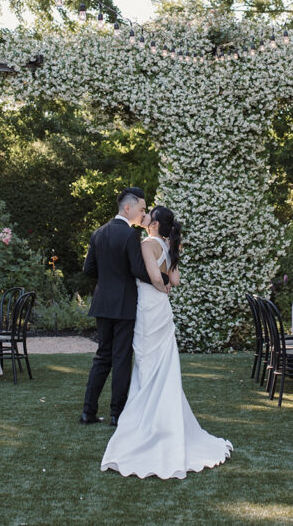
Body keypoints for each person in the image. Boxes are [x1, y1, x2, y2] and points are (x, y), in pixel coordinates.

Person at [100, 205, 232, 479]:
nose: (145, 216)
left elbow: (152, 277)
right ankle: (161, 417)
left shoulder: (148, 244)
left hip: (149, 307)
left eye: (149, 215)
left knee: (147, 362)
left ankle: (147, 422)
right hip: (162, 309)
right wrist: (167, 288)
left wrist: (161, 287)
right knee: (162, 362)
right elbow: (176, 280)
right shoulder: (170, 245)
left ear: (156, 224)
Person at [80, 187, 170, 426]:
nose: (143, 214)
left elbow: (89, 270)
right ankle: (116, 414)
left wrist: (109, 277)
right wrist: (165, 280)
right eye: (141, 209)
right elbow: (138, 270)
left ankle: (87, 412)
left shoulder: (98, 233)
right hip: (124, 305)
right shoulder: (130, 236)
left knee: (102, 357)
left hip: (102, 303)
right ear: (127, 208)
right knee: (121, 359)